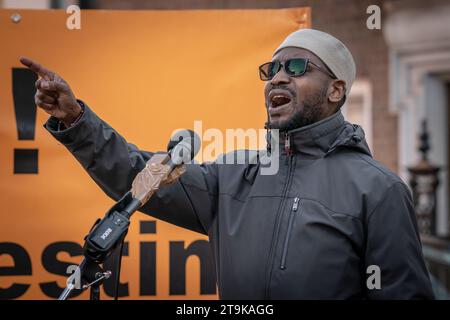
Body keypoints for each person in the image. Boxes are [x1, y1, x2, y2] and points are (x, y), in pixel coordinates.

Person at [20, 28, 434, 299]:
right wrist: (75, 120)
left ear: (336, 91)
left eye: (295, 67)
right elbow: (138, 175)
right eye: (270, 70)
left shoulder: (378, 189)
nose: (277, 78)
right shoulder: (234, 176)